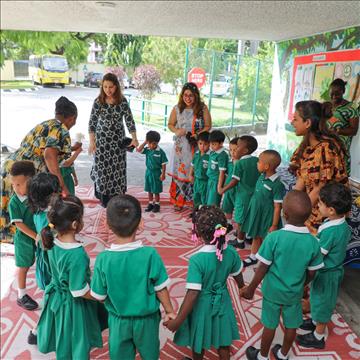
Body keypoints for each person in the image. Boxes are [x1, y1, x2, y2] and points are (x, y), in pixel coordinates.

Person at [241, 190, 324, 360]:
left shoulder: (274, 237)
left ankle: (262, 357)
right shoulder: (313, 243)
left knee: (269, 325)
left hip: (272, 291)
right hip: (294, 294)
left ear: (284, 215)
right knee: (292, 325)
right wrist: (302, 285)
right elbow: (312, 272)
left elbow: (262, 268)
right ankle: (283, 354)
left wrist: (250, 289)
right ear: (308, 215)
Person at [90, 194, 175, 360]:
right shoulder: (150, 255)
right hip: (147, 321)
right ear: (141, 223)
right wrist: (170, 311)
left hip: (118, 321)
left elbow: (99, 296)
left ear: (107, 225)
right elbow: (161, 288)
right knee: (150, 355)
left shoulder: (103, 259)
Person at [165, 206, 245, 360]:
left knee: (199, 338)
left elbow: (193, 293)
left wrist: (177, 321)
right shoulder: (231, 252)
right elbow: (237, 273)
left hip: (202, 305)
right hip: (223, 300)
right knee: (223, 339)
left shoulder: (197, 260)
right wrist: (242, 286)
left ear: (200, 233)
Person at [35, 195, 106, 359]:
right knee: (77, 341)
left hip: (55, 298)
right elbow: (78, 290)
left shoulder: (48, 239)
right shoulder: (76, 255)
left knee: (64, 338)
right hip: (73, 306)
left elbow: (48, 266)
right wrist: (100, 297)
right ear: (75, 224)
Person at [1, 96, 80, 241]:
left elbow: (48, 147)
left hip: (12, 167)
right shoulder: (61, 129)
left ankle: (17, 238)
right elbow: (50, 155)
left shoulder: (47, 124)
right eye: (74, 120)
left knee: (13, 207)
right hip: (24, 174)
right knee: (22, 208)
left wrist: (73, 148)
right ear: (72, 118)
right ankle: (30, 238)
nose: (74, 124)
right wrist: (62, 186)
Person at [297, 183, 352, 349]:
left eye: (320, 204)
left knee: (323, 304)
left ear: (331, 210)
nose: (317, 206)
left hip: (327, 273)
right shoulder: (341, 225)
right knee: (316, 297)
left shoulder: (331, 231)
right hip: (328, 270)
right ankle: (314, 322)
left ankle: (318, 336)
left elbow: (319, 254)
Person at [291, 100, 348, 232]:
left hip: (325, 212)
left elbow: (318, 190)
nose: (292, 122)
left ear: (308, 123)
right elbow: (301, 179)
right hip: (311, 202)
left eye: (295, 119)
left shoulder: (325, 150)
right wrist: (291, 203)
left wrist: (298, 216)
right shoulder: (308, 144)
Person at [88, 72, 139, 208]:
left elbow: (129, 121)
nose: (108, 90)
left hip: (117, 142)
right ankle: (103, 198)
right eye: (105, 87)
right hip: (102, 142)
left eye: (111, 87)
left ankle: (117, 197)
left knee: (117, 168)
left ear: (116, 87)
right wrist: (92, 142)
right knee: (102, 169)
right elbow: (92, 123)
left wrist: (134, 138)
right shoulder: (98, 101)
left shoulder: (122, 101)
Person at [168, 82, 212, 211]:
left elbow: (208, 126)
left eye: (191, 95)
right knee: (181, 171)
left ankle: (196, 201)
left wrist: (197, 135)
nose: (188, 98)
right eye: (185, 95)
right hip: (181, 147)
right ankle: (179, 201)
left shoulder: (202, 108)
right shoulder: (177, 108)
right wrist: (176, 130)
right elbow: (170, 124)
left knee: (195, 171)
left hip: (197, 145)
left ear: (196, 96)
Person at [241, 150, 285, 267]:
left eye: (259, 161)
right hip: (256, 212)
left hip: (267, 216)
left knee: (267, 239)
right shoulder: (261, 176)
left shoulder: (277, 184)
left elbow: (277, 206)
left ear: (266, 166)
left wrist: (274, 224)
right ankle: (253, 256)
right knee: (256, 235)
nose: (257, 163)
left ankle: (266, 263)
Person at [219, 135, 260, 249]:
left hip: (243, 196)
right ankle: (249, 236)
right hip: (255, 195)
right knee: (250, 216)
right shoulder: (257, 161)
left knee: (240, 219)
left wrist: (223, 189)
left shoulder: (240, 164)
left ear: (245, 150)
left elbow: (234, 181)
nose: (234, 150)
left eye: (237, 148)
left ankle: (240, 240)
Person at [8, 161, 38, 310]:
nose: (17, 188)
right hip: (24, 239)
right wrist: (36, 236)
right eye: (14, 185)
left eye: (20, 184)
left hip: (38, 236)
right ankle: (21, 295)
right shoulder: (14, 203)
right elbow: (19, 224)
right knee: (24, 267)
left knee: (43, 260)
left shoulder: (35, 195)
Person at [28, 173, 62, 290]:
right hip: (50, 253)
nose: (58, 194)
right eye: (55, 192)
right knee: (54, 278)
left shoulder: (39, 210)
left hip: (48, 249)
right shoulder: (46, 218)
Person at [326, 78, 359, 175]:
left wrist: (338, 131)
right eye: (331, 93)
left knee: (340, 174)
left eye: (337, 93)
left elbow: (354, 130)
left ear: (343, 91)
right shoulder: (327, 106)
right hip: (326, 146)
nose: (334, 96)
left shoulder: (351, 108)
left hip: (341, 147)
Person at [137, 130, 168, 213]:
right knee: (149, 189)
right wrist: (145, 142)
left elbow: (164, 164)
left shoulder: (161, 152)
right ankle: (150, 203)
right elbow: (139, 150)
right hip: (148, 172)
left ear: (157, 143)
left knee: (156, 190)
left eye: (154, 143)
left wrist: (163, 174)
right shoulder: (147, 149)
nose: (151, 145)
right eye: (149, 143)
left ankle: (157, 204)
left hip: (157, 173)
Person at [206, 130, 229, 206]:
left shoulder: (222, 155)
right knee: (208, 200)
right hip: (210, 180)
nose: (211, 146)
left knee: (213, 203)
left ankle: (214, 217)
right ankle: (207, 216)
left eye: (214, 144)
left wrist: (219, 187)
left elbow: (222, 173)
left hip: (216, 182)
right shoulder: (213, 152)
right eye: (210, 144)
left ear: (221, 143)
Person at [221, 137, 239, 228]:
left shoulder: (242, 164)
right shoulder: (229, 162)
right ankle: (228, 223)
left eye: (235, 150)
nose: (232, 152)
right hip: (228, 189)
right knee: (227, 207)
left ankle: (241, 229)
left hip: (238, 190)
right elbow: (225, 174)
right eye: (230, 150)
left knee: (239, 209)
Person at [189, 131, 210, 208]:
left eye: (205, 144)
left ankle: (203, 211)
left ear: (210, 144)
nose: (202, 146)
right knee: (196, 196)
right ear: (197, 143)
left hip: (205, 181)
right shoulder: (196, 154)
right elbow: (192, 164)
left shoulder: (210, 156)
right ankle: (196, 210)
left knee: (204, 197)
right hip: (196, 180)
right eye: (200, 144)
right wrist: (190, 175)